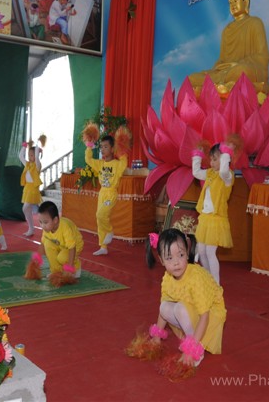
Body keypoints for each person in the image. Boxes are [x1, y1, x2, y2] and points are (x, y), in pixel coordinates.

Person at [142, 228, 226, 370]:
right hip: (191, 311)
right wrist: (156, 337)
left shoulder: (196, 278)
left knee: (180, 309)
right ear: (161, 260)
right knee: (164, 307)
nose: (176, 263)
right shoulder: (167, 278)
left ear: (187, 253)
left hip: (210, 316)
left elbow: (205, 316)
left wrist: (191, 349)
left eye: (180, 255)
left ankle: (196, 349)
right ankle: (190, 338)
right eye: (169, 258)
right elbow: (163, 311)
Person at [188, 0, 269, 96]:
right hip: (224, 72)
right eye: (230, 2)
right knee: (192, 78)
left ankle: (219, 88)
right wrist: (218, 68)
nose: (232, 5)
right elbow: (222, 60)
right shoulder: (227, 30)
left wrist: (237, 64)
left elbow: (263, 56)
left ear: (246, 2)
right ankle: (224, 87)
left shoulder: (255, 23)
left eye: (235, 0)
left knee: (241, 71)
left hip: (242, 70)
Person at [191, 142, 235, 284]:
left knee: (210, 252)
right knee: (202, 251)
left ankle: (216, 283)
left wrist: (227, 153)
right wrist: (197, 156)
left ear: (224, 160)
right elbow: (196, 173)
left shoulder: (227, 176)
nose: (211, 162)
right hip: (205, 218)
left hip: (216, 220)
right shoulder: (210, 173)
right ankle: (208, 279)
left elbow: (223, 171)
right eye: (211, 159)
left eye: (215, 159)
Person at [85, 135, 127, 256]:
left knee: (101, 214)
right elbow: (88, 159)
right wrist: (89, 147)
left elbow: (124, 160)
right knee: (99, 220)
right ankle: (103, 247)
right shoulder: (100, 164)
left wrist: (121, 148)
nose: (102, 149)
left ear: (112, 149)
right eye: (101, 147)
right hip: (102, 193)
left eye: (106, 147)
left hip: (111, 194)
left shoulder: (118, 165)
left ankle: (109, 231)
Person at [35, 201, 83, 278]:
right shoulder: (47, 228)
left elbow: (72, 247)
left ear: (55, 220)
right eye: (40, 222)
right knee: (47, 244)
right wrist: (37, 259)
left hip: (75, 246)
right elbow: (43, 243)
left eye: (45, 222)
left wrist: (69, 268)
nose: (42, 226)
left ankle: (76, 268)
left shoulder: (65, 227)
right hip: (61, 244)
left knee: (62, 258)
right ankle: (56, 272)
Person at [19, 139, 43, 236]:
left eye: (31, 155)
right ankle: (31, 228)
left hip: (33, 189)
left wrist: (37, 147)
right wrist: (24, 147)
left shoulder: (37, 165)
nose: (30, 157)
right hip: (27, 188)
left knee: (25, 208)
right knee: (27, 209)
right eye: (29, 155)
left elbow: (36, 157)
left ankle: (32, 228)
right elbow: (20, 157)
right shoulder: (28, 164)